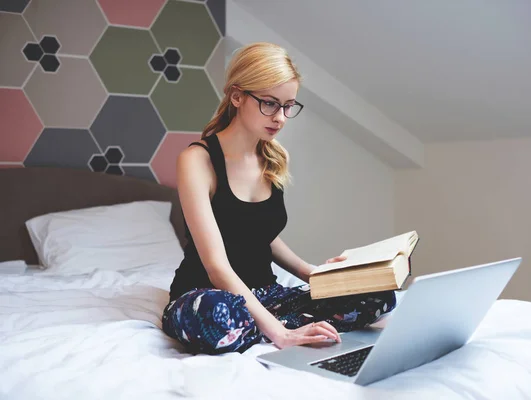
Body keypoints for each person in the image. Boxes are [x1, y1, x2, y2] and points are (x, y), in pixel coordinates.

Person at [161, 42, 397, 355]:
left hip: (267, 295)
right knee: (220, 318)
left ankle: (261, 324)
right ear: (237, 96)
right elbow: (216, 266)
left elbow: (260, 235)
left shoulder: (272, 156)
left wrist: (317, 275)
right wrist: (280, 334)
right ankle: (271, 324)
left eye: (288, 106)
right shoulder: (197, 160)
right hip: (210, 293)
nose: (281, 118)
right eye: (270, 104)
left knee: (378, 296)